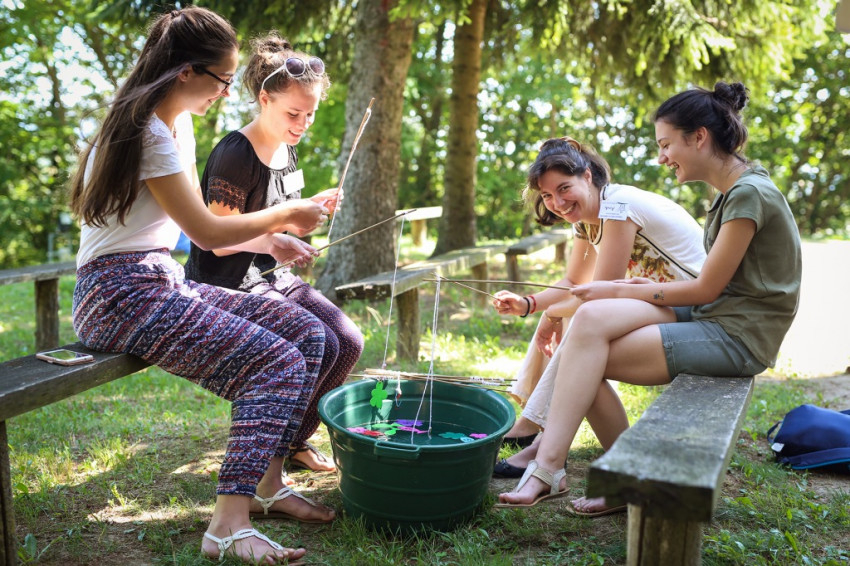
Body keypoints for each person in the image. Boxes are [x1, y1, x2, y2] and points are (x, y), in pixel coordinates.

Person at [69, 7, 336, 564]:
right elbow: (208, 232)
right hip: (116, 294)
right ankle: (227, 527)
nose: (226, 91)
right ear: (186, 71)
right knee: (276, 362)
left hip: (157, 279)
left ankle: (267, 487)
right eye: (222, 79)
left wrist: (273, 240)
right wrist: (287, 215)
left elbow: (205, 229)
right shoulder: (147, 132)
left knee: (307, 335)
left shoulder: (179, 124)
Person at [497, 81, 802, 515]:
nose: (661, 157)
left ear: (699, 137)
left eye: (665, 144)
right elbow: (710, 287)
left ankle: (560, 468)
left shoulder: (747, 194)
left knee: (585, 353)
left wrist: (620, 288)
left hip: (738, 334)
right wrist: (628, 290)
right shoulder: (734, 192)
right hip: (712, 313)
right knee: (588, 325)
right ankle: (558, 465)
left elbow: (706, 288)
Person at [184, 32, 363, 476]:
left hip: (271, 275)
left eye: (310, 114)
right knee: (315, 340)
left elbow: (277, 218)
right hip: (228, 281)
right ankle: (272, 457)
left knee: (348, 341)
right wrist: (277, 234)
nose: (303, 123)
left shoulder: (288, 149)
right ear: (265, 100)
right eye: (293, 113)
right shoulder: (236, 154)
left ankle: (293, 440)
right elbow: (217, 240)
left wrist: (310, 208)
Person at [491, 138, 706, 494]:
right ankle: (549, 443)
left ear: (588, 176)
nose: (557, 203)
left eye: (564, 188)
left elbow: (602, 293)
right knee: (579, 330)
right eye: (547, 195)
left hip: (692, 305)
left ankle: (541, 442)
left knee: (583, 325)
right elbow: (575, 282)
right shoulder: (587, 218)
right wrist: (528, 304)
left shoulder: (618, 206)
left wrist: (552, 314)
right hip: (654, 301)